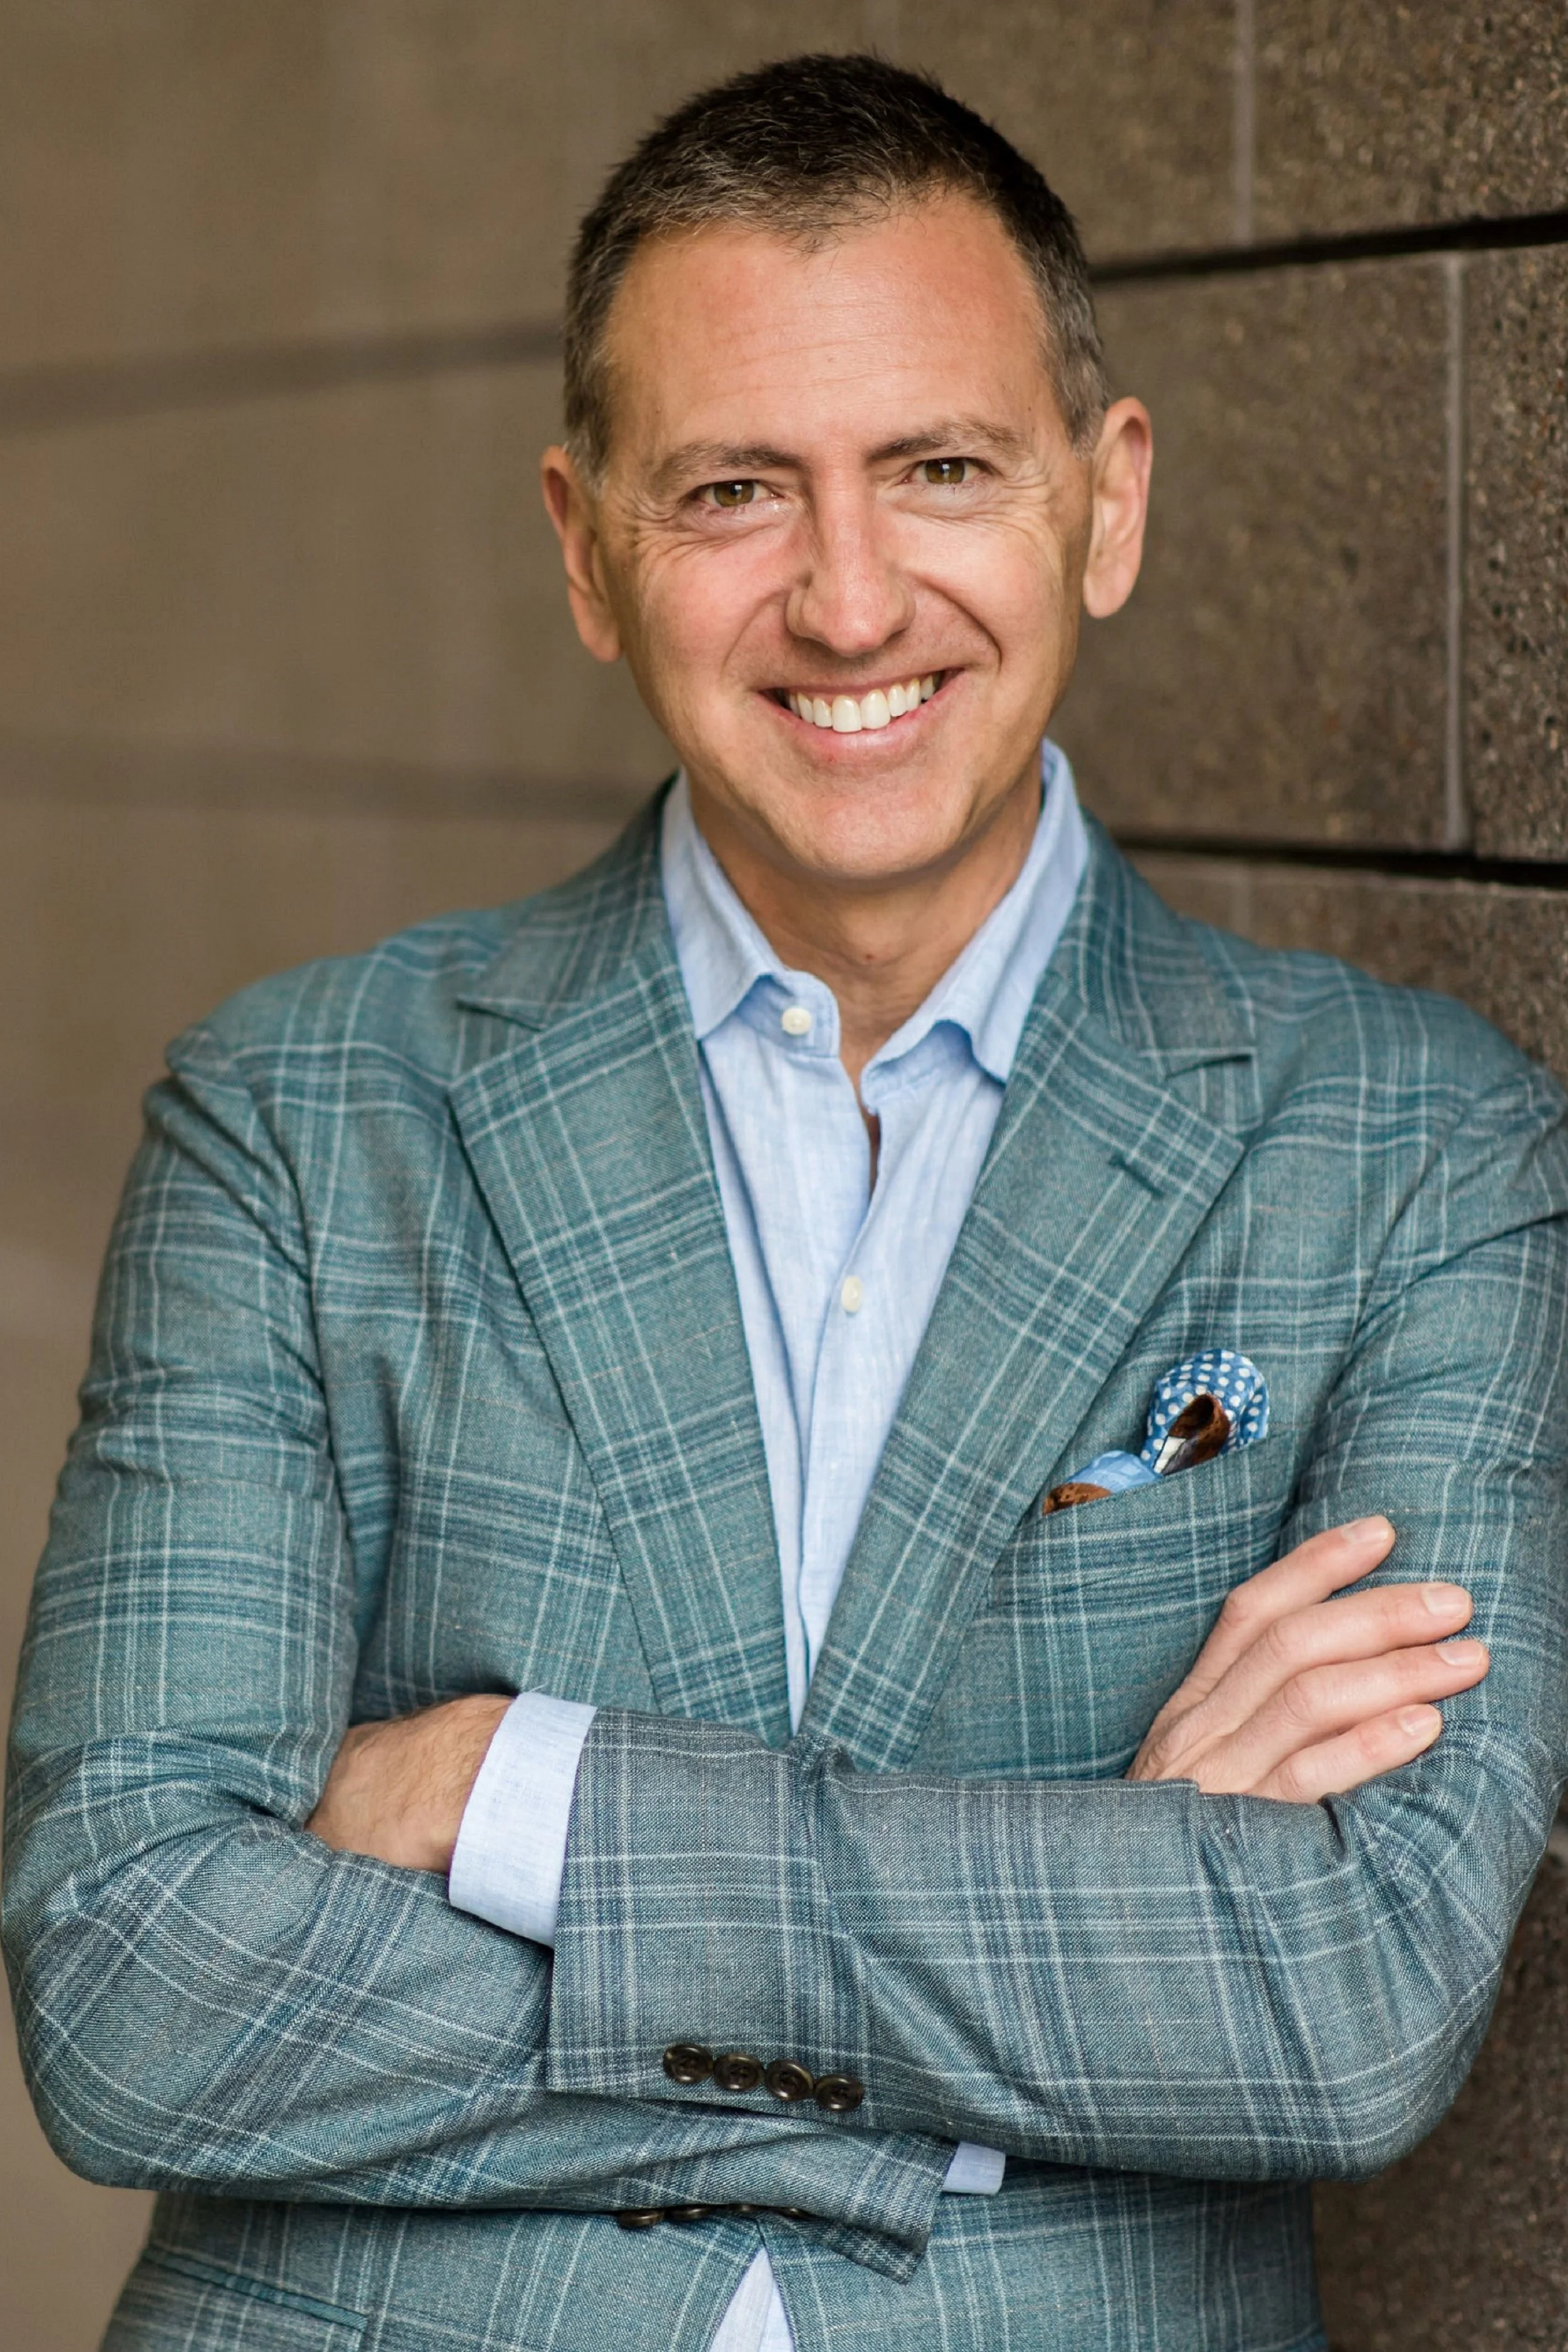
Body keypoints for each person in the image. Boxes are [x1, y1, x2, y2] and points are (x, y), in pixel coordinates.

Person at [7, 52, 1568, 2352]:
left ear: (1100, 504)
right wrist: (1062, 1959)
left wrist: (511, 1788)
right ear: (579, 545)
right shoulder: (301, 1111)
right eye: (734, 488)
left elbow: (1344, 2001)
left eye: (938, 469)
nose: (849, 599)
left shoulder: (1418, 1149)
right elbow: (132, 1981)